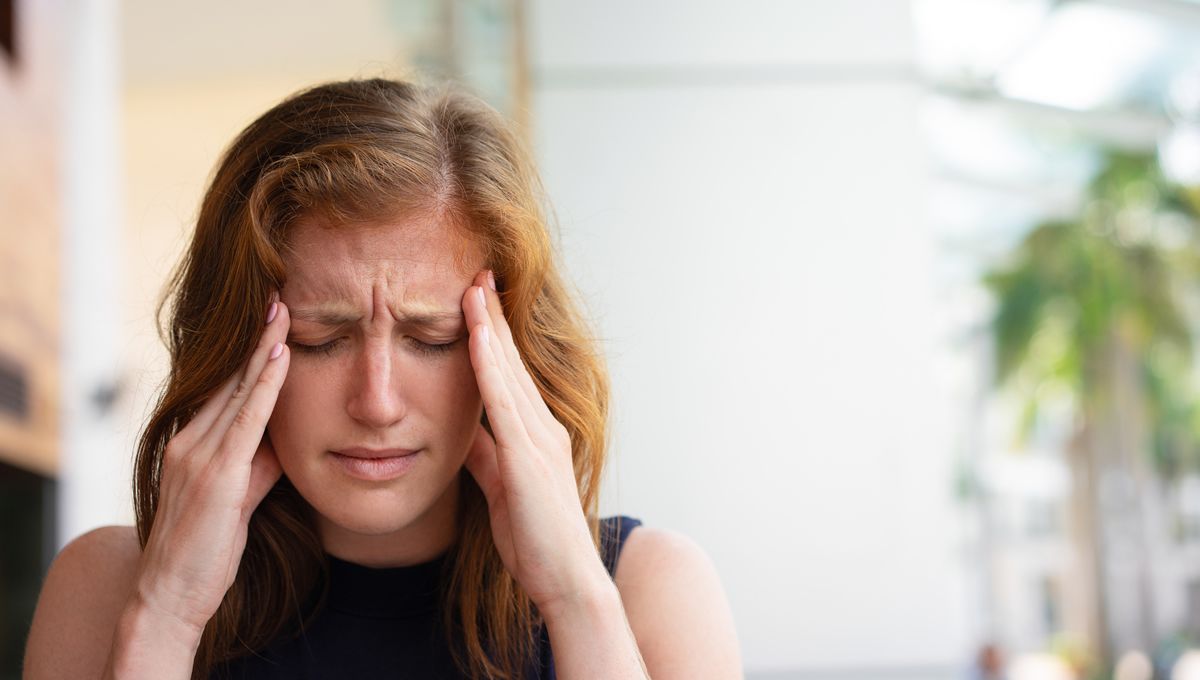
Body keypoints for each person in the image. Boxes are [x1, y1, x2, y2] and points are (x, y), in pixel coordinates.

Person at [23, 78, 743, 679]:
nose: (376, 402)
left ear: (511, 354)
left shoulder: (651, 590)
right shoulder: (109, 588)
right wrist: (167, 617)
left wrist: (577, 602)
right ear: (236, 344)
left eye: (432, 339)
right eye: (319, 339)